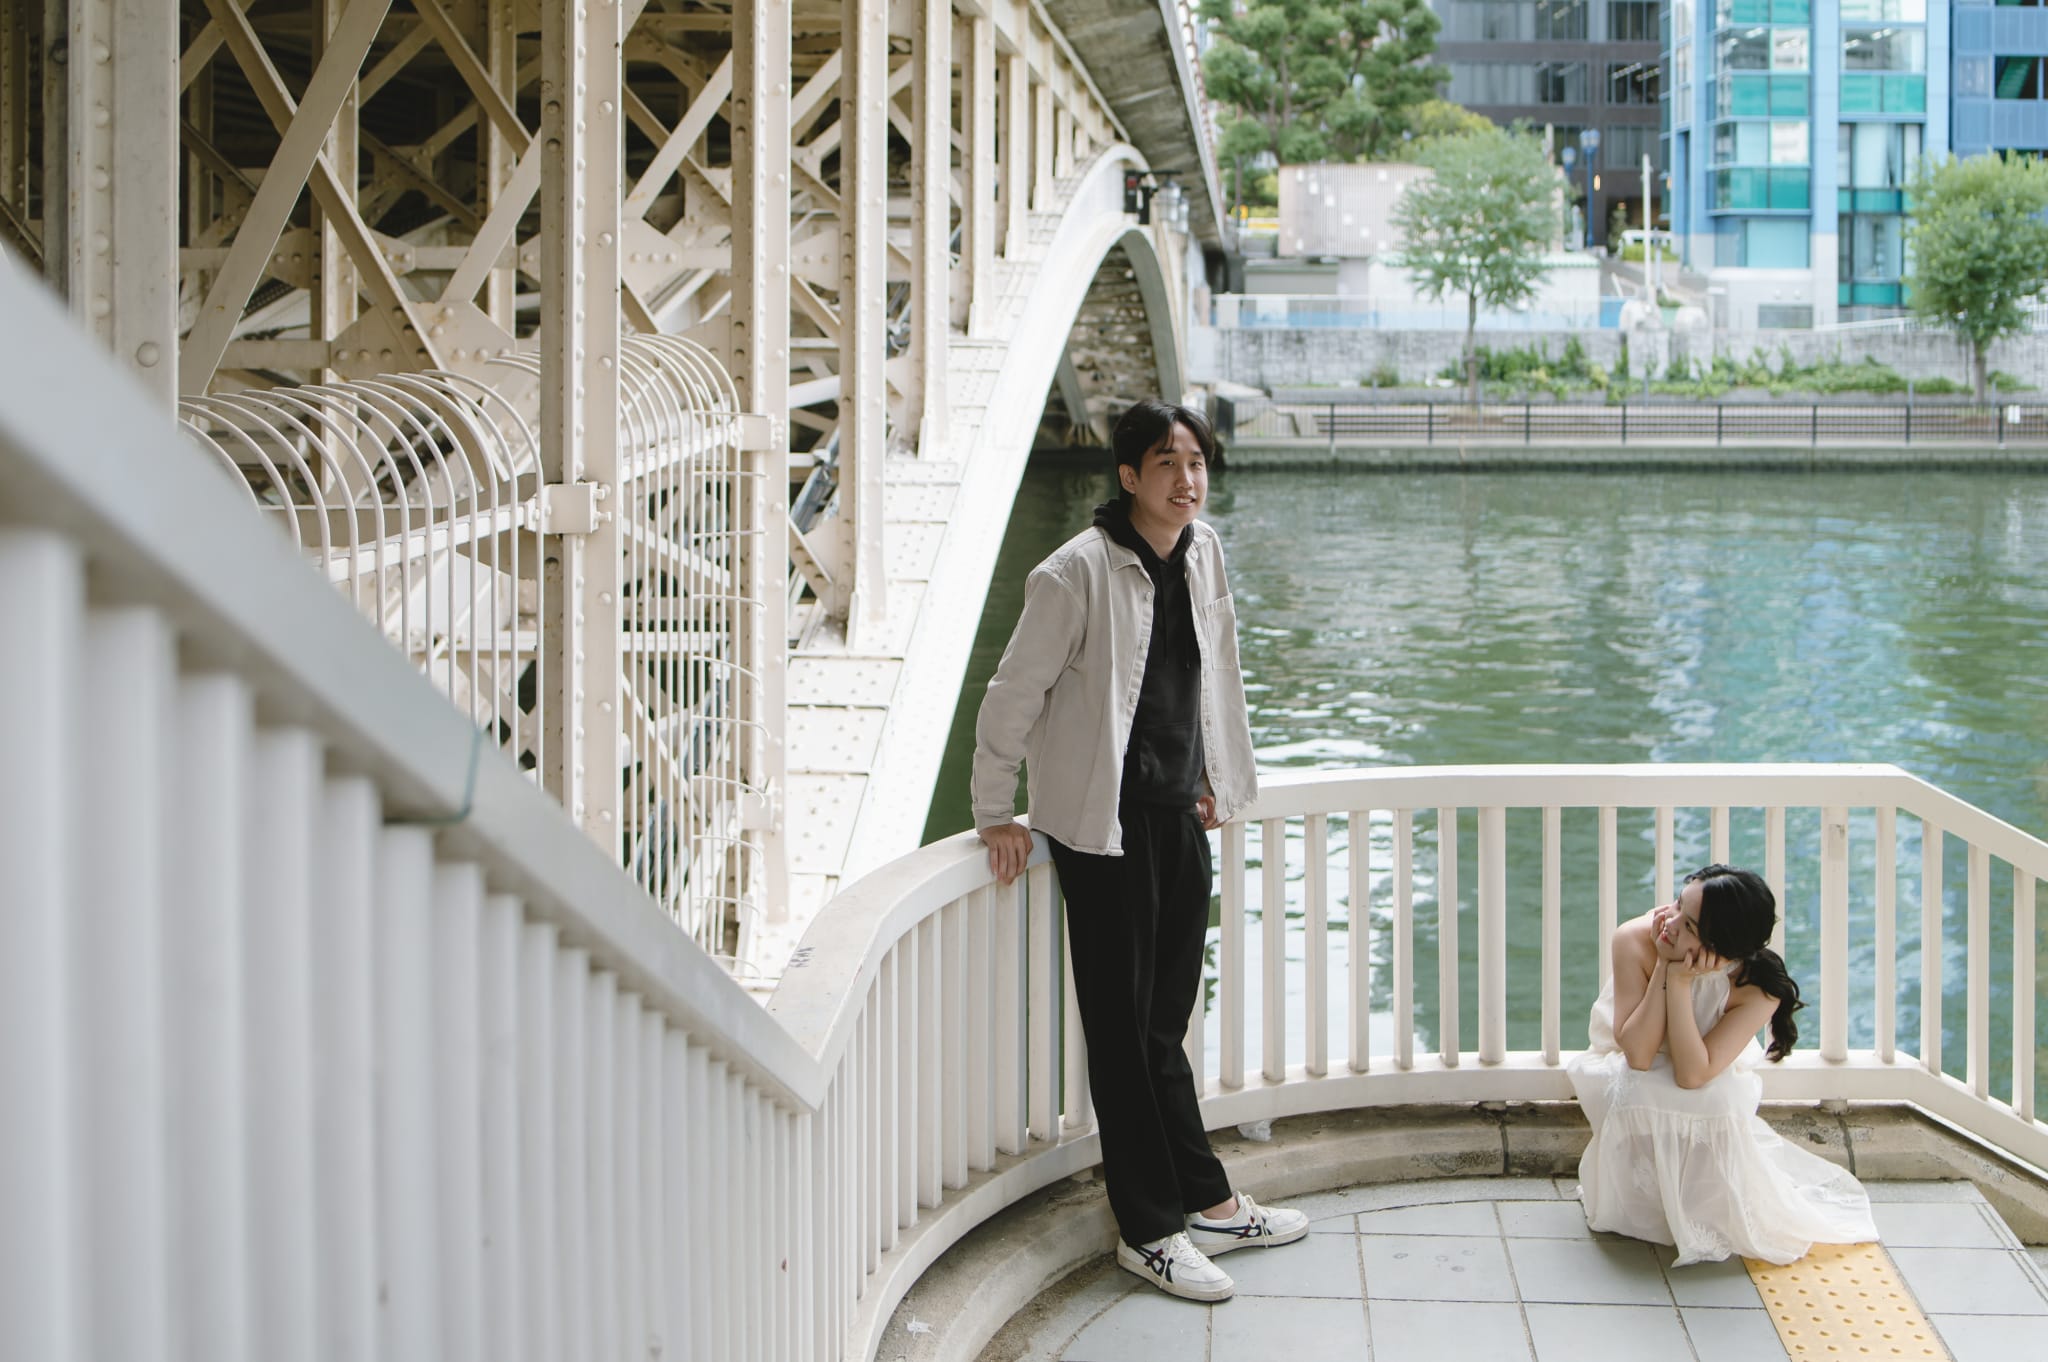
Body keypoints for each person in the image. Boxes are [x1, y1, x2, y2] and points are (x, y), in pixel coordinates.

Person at [970, 399, 1308, 1302]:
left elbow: (1214, 674)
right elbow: (1012, 695)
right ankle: (1148, 1229)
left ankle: (1206, 1200)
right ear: (1128, 476)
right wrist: (995, 809)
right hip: (1101, 831)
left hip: (1176, 819)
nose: (1186, 479)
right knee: (1122, 1036)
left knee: (1164, 1026)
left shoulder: (1202, 553)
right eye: (1166, 463)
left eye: (1195, 461)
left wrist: (1217, 778)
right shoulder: (1074, 574)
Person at [1567, 864, 1877, 1265]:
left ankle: (1702, 1204)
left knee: (1718, 1099)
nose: (1670, 924)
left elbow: (1693, 1074)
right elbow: (1639, 1056)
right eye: (1678, 904)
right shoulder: (1637, 939)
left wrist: (1680, 984)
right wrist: (1665, 965)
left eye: (1690, 926)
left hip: (1700, 1063)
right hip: (1626, 1059)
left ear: (1724, 947)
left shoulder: (1759, 986)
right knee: (1636, 1090)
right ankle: (1640, 1203)